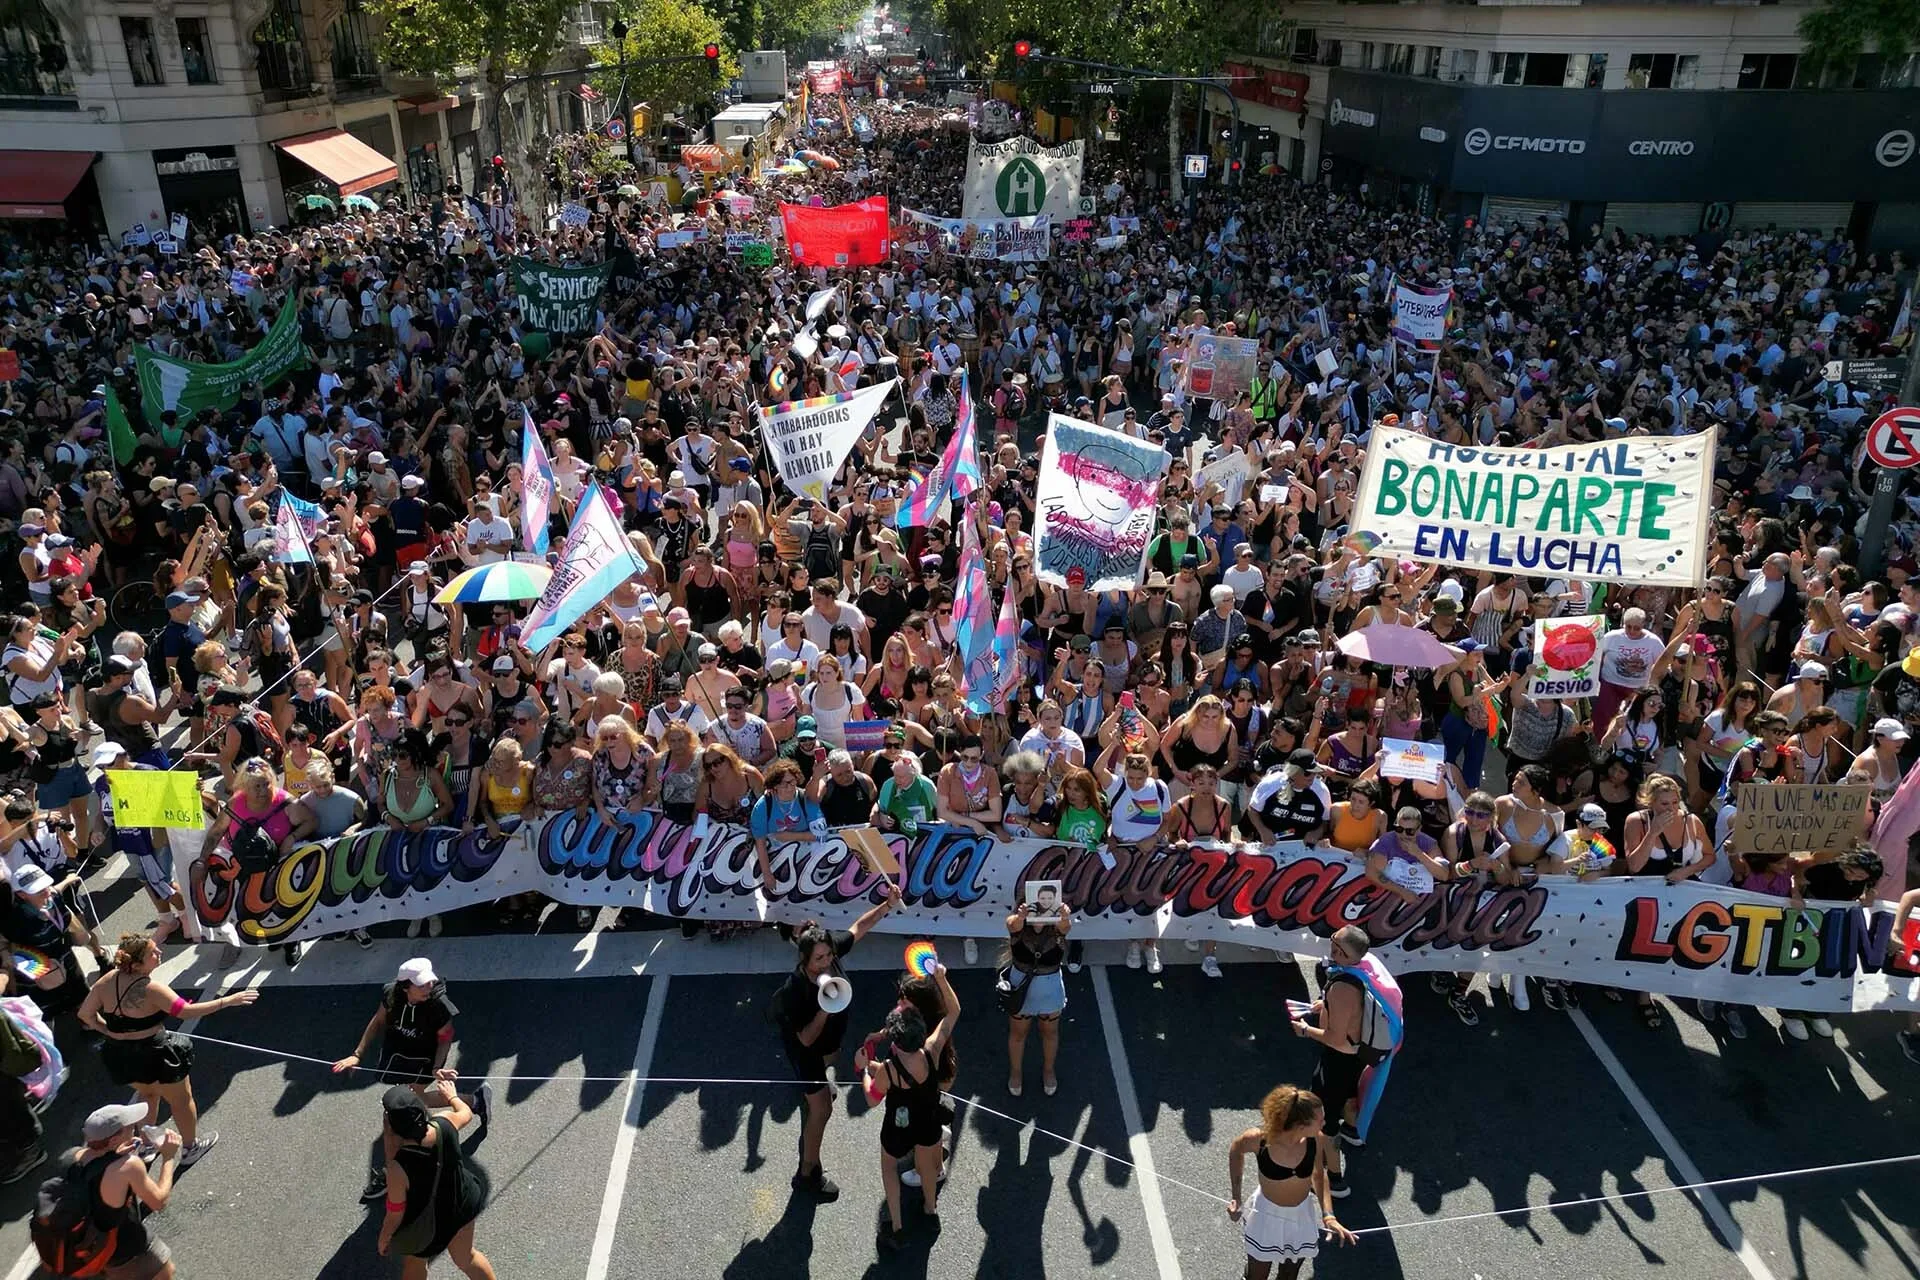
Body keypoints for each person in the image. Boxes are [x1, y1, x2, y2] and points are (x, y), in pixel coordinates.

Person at [77, 934, 258, 1165]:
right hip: (155, 1053)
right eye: (152, 952)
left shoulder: (107, 980)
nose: (159, 953)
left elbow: (84, 1014)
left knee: (148, 1095)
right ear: (136, 964)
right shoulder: (151, 988)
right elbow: (185, 1012)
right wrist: (228, 1001)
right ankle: (190, 1149)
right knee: (181, 1101)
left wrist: (110, 1032)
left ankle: (147, 1146)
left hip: (121, 1054)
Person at [771, 890, 902, 1201]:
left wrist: (887, 905)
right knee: (822, 1111)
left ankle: (814, 1095)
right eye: (820, 958)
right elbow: (805, 1039)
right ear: (804, 958)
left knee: (829, 1065)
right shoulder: (795, 989)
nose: (827, 960)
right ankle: (807, 1174)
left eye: (829, 955)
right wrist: (823, 1006)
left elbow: (859, 928)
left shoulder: (829, 950)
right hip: (805, 1052)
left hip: (826, 1045)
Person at [332, 957, 492, 1205]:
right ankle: (475, 1101)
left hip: (425, 1058)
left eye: (430, 982)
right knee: (416, 1099)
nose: (429, 987)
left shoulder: (438, 1005)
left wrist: (438, 1067)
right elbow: (378, 1021)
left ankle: (392, 1172)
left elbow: (446, 1036)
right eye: (422, 984)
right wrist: (357, 1054)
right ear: (405, 986)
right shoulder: (391, 993)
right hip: (399, 1051)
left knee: (403, 1106)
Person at [860, 961, 959, 1253]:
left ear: (895, 1038)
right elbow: (954, 1011)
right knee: (927, 1164)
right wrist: (941, 979)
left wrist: (864, 1070)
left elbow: (871, 1098)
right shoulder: (932, 1048)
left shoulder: (888, 1069)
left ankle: (897, 1226)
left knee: (889, 1166)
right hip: (928, 1119)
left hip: (898, 1124)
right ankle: (930, 1207)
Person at [1226, 1084, 1358, 1279]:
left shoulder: (1316, 1140)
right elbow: (1236, 1150)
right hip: (1265, 1215)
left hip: (1300, 1216)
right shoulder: (1258, 1139)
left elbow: (1318, 1176)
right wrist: (1236, 1196)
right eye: (1320, 1120)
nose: (1324, 1123)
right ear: (1300, 1125)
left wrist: (1328, 1215)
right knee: (1257, 1276)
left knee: (1289, 1275)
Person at [378, 1071, 496, 1280]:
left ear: (393, 1127)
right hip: (462, 1202)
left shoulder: (398, 1168)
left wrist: (385, 1238)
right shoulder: (443, 1123)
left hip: (429, 1223)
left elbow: (395, 1213)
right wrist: (451, 1096)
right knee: (466, 1258)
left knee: (414, 1263)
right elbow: (466, 1114)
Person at [61, 1102, 184, 1280]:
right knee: (165, 1273)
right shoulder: (127, 1167)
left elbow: (96, 1171)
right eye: (129, 1127)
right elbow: (158, 1201)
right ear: (112, 1140)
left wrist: (117, 1154)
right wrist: (168, 1157)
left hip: (93, 1244)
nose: (134, 1128)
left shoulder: (71, 1156)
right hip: (128, 1248)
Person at [1003, 890, 1070, 1096]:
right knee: (1018, 1033)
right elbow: (1012, 924)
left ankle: (1049, 1070)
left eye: (1047, 901)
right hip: (1021, 987)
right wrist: (1022, 916)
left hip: (1050, 988)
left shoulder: (1058, 927)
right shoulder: (1017, 924)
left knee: (1049, 1032)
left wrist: (1065, 916)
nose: (1042, 906)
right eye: (1037, 902)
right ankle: (1016, 1073)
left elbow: (1065, 927)